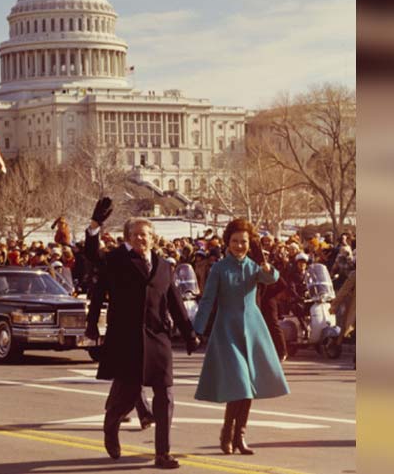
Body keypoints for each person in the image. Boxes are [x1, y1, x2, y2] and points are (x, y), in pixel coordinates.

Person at [84, 197, 199, 470]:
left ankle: (163, 453)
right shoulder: (116, 260)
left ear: (153, 238)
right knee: (126, 395)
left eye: (145, 235)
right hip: (127, 339)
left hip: (158, 337)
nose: (140, 239)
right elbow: (91, 254)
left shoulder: (163, 266)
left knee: (165, 395)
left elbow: (175, 302)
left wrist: (189, 333)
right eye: (135, 235)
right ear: (127, 238)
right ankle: (111, 426)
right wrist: (95, 225)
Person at [193, 218, 290, 456]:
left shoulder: (253, 266)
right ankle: (227, 432)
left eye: (244, 242)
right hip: (227, 330)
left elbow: (272, 279)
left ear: (250, 243)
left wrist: (270, 270)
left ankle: (240, 436)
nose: (239, 246)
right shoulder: (219, 268)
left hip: (253, 328)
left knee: (249, 386)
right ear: (228, 243)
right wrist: (195, 330)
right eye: (235, 241)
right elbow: (207, 300)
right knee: (240, 384)